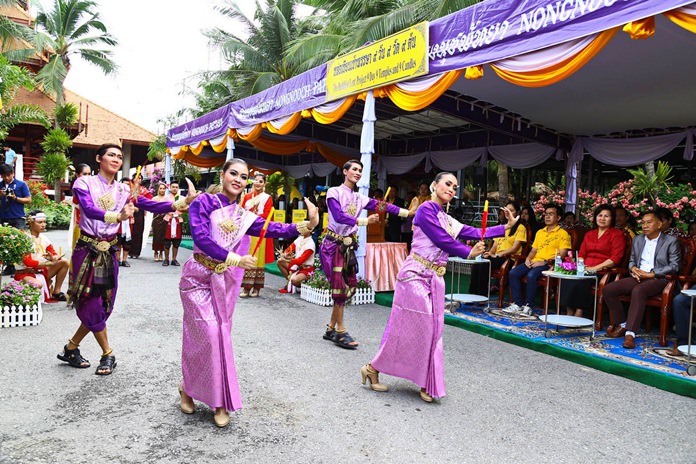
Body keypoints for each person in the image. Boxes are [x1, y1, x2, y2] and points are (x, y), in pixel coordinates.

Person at [177, 158, 318, 427]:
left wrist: (306, 226)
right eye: (234, 174)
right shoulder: (203, 203)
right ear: (222, 174)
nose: (238, 180)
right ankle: (188, 388)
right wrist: (234, 259)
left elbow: (272, 228)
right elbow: (200, 238)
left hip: (221, 282)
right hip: (197, 278)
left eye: (244, 177)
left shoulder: (241, 215)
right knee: (204, 335)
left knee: (220, 337)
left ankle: (219, 401)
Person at [361, 172, 517, 402]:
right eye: (447, 184)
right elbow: (441, 239)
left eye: (455, 186)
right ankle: (377, 368)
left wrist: (504, 228)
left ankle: (421, 381)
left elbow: (470, 232)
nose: (452, 189)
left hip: (434, 278)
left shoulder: (445, 216)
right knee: (422, 327)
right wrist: (467, 251)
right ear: (434, 186)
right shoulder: (425, 210)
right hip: (414, 275)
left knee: (432, 331)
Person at [57, 143, 194, 376]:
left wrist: (182, 202)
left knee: (103, 306)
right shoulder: (84, 183)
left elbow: (151, 204)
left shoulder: (124, 190)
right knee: (89, 303)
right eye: (111, 154)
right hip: (87, 251)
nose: (116, 159)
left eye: (120, 156)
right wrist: (117, 216)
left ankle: (71, 347)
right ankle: (108, 353)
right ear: (99, 158)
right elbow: (88, 209)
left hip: (109, 252)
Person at [321, 160, 410, 349]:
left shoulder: (360, 198)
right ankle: (341, 332)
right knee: (339, 288)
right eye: (354, 169)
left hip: (347, 247)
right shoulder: (334, 192)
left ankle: (330, 329)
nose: (358, 172)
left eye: (360, 170)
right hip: (332, 246)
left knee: (343, 287)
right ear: (345, 172)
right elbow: (338, 216)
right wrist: (365, 221)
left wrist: (407, 213)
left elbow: (383, 206)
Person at [603, 211, 680, 349]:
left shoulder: (671, 241)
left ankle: (630, 334)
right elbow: (632, 260)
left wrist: (651, 274)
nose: (645, 225)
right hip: (638, 276)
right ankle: (622, 324)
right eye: (643, 222)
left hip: (659, 279)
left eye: (649, 222)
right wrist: (633, 269)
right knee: (609, 289)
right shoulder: (638, 239)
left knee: (638, 291)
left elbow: (675, 266)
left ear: (659, 224)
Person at [504, 204, 572, 316]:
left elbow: (563, 254)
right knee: (513, 273)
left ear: (558, 218)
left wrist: (545, 262)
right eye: (546, 214)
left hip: (549, 264)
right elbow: (533, 250)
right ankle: (517, 304)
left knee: (531, 275)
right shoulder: (540, 232)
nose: (547, 217)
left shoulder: (563, 234)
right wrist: (528, 259)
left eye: (551, 214)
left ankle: (528, 306)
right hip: (534, 261)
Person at [559, 205, 625, 318]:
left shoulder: (617, 234)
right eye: (600, 215)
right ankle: (569, 311)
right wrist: (581, 265)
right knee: (568, 276)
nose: (602, 218)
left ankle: (580, 312)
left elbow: (615, 258)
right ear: (595, 217)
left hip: (604, 271)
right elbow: (581, 254)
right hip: (585, 268)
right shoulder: (590, 234)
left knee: (583, 280)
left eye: (606, 216)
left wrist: (594, 268)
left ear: (612, 219)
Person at [469, 201, 527, 296]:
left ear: (517, 213)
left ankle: (482, 296)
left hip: (509, 258)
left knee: (485, 265)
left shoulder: (520, 228)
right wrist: (489, 253)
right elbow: (495, 245)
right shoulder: (502, 227)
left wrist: (497, 255)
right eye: (506, 210)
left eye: (511, 210)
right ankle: (472, 294)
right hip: (497, 257)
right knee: (478, 263)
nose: (508, 213)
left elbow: (514, 248)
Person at [15, 210, 70, 302]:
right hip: (25, 273)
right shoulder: (24, 239)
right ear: (31, 223)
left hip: (41, 271)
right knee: (38, 285)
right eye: (40, 222)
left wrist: (54, 258)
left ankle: (56, 292)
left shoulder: (44, 238)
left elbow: (54, 254)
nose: (43, 225)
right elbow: (28, 262)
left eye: (44, 222)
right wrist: (49, 263)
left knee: (64, 262)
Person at [240, 172, 274, 297]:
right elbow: (241, 211)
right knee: (246, 257)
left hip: (260, 231)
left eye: (261, 181)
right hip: (247, 231)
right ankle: (246, 288)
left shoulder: (267, 198)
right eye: (256, 180)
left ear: (264, 183)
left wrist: (252, 216)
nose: (258, 183)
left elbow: (268, 214)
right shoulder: (247, 196)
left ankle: (257, 288)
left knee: (258, 260)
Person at [0, 163, 31, 275]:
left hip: (18, 217)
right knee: (6, 243)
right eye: (4, 176)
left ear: (13, 173)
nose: (7, 178)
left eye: (9, 175)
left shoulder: (21, 185)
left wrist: (15, 198)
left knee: (20, 242)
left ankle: (22, 267)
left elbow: (28, 200)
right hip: (4, 217)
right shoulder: (0, 185)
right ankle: (9, 267)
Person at [277, 226, 315, 293]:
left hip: (306, 269)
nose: (301, 230)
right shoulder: (300, 238)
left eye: (303, 228)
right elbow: (289, 249)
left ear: (310, 230)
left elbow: (300, 260)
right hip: (296, 265)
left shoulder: (311, 244)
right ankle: (289, 282)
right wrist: (285, 254)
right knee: (280, 261)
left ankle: (306, 286)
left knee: (294, 280)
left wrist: (288, 260)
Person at [128, 172, 151, 259]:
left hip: (139, 211)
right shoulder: (129, 188)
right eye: (137, 178)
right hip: (129, 209)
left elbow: (149, 200)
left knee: (138, 231)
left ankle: (135, 252)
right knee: (129, 230)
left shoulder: (144, 190)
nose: (138, 180)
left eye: (140, 178)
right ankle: (127, 250)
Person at [163, 181, 184, 266]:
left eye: (176, 187)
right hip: (168, 219)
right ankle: (166, 259)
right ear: (170, 188)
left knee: (177, 241)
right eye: (173, 187)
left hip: (178, 220)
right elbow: (162, 208)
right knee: (166, 240)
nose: (175, 188)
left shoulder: (182, 198)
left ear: (178, 188)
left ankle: (174, 259)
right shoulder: (166, 198)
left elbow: (186, 208)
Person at [116, 178, 133, 267]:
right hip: (119, 221)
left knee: (127, 242)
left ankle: (125, 259)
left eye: (128, 184)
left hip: (128, 222)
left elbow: (136, 208)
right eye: (124, 184)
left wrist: (131, 208)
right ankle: (118, 259)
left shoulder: (132, 197)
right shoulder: (116, 196)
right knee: (118, 241)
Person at [151, 183, 169, 262]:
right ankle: (155, 252)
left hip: (164, 218)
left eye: (163, 188)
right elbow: (151, 209)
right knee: (156, 236)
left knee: (163, 236)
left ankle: (162, 252)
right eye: (160, 188)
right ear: (158, 189)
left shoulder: (167, 198)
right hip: (156, 218)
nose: (162, 190)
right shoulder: (154, 198)